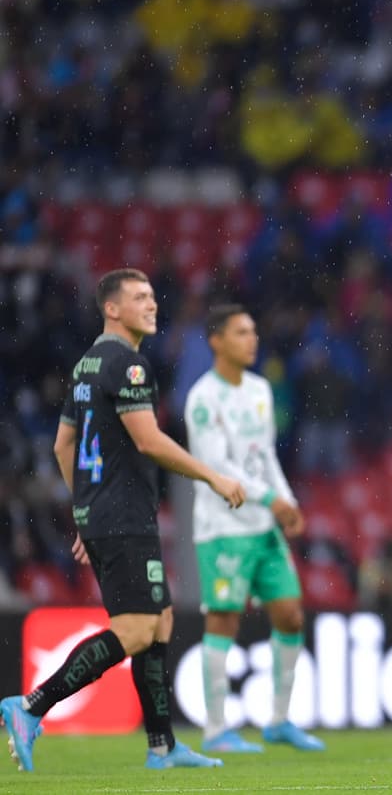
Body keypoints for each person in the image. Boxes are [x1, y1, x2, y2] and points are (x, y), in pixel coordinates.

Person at [1, 268, 246, 773]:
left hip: (109, 512)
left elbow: (63, 445)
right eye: (139, 298)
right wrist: (213, 477)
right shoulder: (128, 365)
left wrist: (85, 509)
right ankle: (30, 706)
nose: (152, 304)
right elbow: (148, 441)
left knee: (160, 621)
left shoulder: (86, 364)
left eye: (152, 296)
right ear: (111, 309)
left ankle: (162, 746)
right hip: (125, 515)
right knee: (135, 630)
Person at [183, 304, 325, 754]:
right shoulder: (203, 398)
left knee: (290, 615)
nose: (252, 340)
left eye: (253, 331)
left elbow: (264, 455)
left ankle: (279, 721)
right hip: (223, 525)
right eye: (241, 332)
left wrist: (287, 501)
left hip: (263, 526)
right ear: (216, 341)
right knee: (224, 619)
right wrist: (270, 499)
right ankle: (215, 729)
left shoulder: (261, 389)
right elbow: (215, 464)